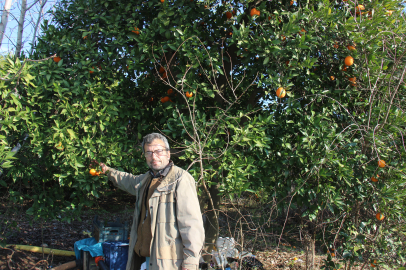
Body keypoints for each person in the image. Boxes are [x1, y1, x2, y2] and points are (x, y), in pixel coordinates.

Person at [97, 133, 204, 270]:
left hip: (168, 263)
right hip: (145, 258)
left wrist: (190, 263)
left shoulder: (180, 179)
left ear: (168, 153)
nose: (154, 156)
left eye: (158, 151)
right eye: (149, 152)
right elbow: (128, 180)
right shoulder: (146, 180)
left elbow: (192, 225)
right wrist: (107, 171)